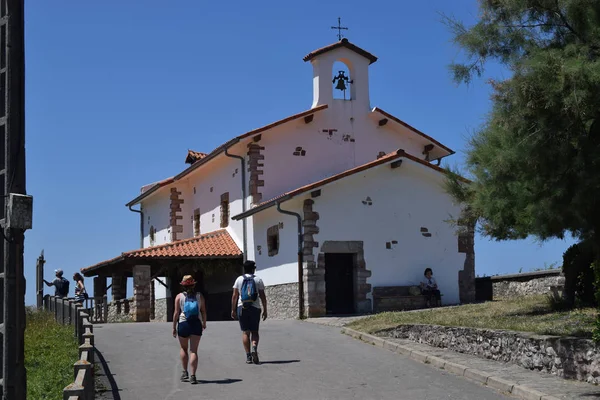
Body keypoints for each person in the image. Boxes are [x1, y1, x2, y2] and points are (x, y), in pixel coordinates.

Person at [231, 260, 267, 364]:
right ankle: (254, 348)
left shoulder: (239, 279)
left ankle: (248, 356)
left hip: (242, 308)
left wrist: (233, 310)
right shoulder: (258, 279)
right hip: (255, 308)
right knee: (255, 331)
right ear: (253, 269)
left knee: (245, 332)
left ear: (244, 269)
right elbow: (262, 296)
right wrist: (265, 309)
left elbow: (234, 296)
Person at [172, 275, 206, 385]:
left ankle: (185, 372)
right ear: (193, 284)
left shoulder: (179, 296)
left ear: (183, 285)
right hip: (196, 323)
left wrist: (174, 327)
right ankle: (193, 376)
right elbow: (203, 311)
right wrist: (204, 323)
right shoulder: (199, 296)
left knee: (183, 348)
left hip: (183, 323)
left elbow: (176, 313)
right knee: (194, 351)